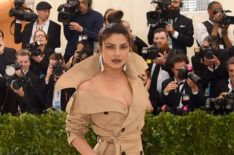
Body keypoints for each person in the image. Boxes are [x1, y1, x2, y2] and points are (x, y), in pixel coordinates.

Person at [56, 23, 153, 154]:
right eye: (110, 47)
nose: (117, 53)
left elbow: (148, 109)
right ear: (101, 49)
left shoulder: (136, 82)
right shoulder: (87, 88)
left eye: (123, 47)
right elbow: (74, 131)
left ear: (129, 49)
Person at [1, 50, 44, 115]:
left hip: (27, 115)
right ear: (16, 62)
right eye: (20, 62)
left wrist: (22, 95)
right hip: (9, 115)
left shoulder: (35, 79)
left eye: (26, 62)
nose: (23, 64)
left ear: (29, 62)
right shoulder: (10, 76)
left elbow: (36, 103)